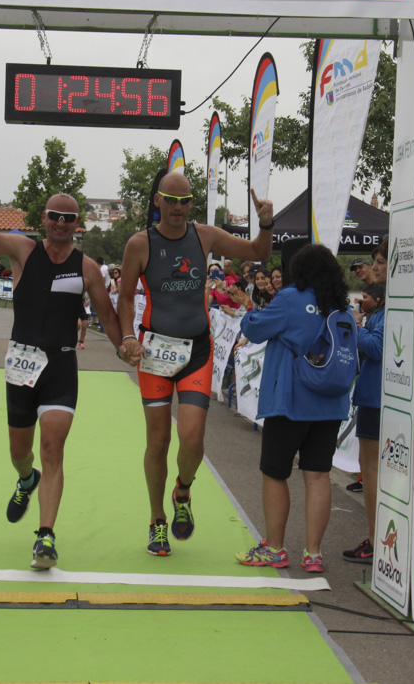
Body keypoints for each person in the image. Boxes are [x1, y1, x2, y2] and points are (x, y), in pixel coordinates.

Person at [0, 156, 133, 570]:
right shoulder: (21, 250)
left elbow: (109, 317)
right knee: (21, 452)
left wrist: (125, 347)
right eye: (54, 216)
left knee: (53, 447)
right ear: (43, 219)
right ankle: (27, 479)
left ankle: (45, 536)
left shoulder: (88, 268)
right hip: (21, 364)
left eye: (69, 218)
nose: (61, 223)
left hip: (61, 366)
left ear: (78, 224)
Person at [118, 175, 274, 556]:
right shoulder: (140, 244)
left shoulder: (204, 236)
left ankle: (182, 489)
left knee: (192, 438)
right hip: (155, 352)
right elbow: (124, 298)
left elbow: (258, 252)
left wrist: (267, 223)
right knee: (158, 440)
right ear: (158, 200)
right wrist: (127, 337)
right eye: (171, 200)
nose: (178, 207)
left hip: (197, 352)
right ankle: (157, 521)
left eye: (185, 201)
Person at [234, 244, 351, 573]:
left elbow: (254, 329)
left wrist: (248, 307)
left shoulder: (290, 298)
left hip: (290, 401)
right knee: (318, 477)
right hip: (330, 404)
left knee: (275, 474)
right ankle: (313, 555)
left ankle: (274, 549)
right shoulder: (340, 305)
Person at [343, 282, 385, 564]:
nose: (361, 299)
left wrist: (357, 327)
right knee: (369, 468)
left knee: (371, 470)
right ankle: (376, 537)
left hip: (376, 397)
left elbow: (378, 347)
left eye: (366, 296)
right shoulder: (379, 314)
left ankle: (376, 540)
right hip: (372, 396)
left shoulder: (385, 314)